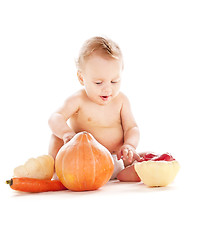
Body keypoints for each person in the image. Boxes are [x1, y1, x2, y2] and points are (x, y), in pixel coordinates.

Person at [48, 36, 142, 182]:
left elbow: (132, 128)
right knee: (56, 135)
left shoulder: (121, 101)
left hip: (115, 161)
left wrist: (129, 145)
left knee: (142, 162)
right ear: (81, 78)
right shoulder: (79, 99)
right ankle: (56, 174)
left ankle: (131, 170)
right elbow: (55, 117)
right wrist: (67, 134)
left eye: (114, 81)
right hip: (82, 165)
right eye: (98, 83)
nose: (107, 88)